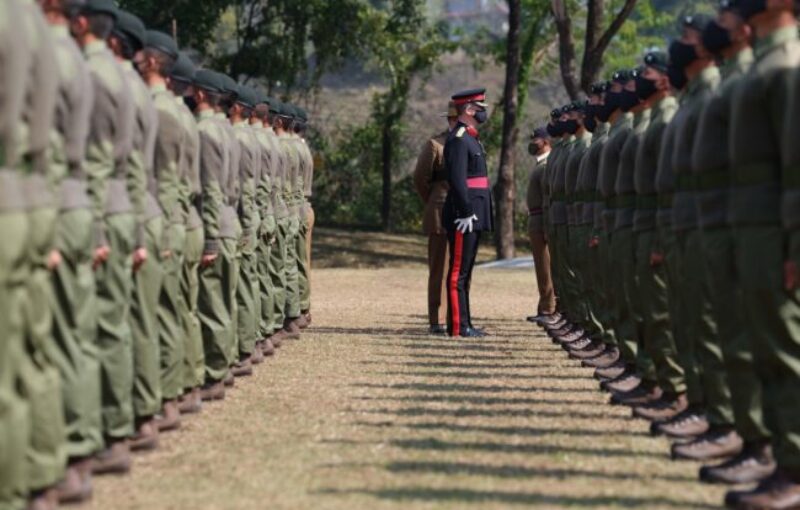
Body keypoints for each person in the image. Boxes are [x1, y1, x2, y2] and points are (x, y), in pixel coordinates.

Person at [691, 1, 773, 480]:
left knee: (766, 345)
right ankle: (743, 435)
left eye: (725, 16)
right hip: (730, 222)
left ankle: (775, 456)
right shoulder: (749, 76)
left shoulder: (776, 71)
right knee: (727, 333)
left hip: (758, 227)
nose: (715, 25)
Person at [726, 0, 800, 506]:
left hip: (774, 232)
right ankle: (777, 460)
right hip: (751, 226)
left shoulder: (789, 64)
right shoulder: (766, 64)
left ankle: (793, 471)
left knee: (784, 350)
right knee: (764, 346)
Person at [73, 0, 140, 476]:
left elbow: (89, 162)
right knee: (117, 320)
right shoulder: (130, 84)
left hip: (88, 210)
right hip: (123, 209)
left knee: (82, 330)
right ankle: (117, 425)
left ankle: (93, 435)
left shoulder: (92, 75)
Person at [107, 9, 165, 451]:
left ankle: (109, 427)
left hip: (109, 214)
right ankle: (143, 409)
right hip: (144, 214)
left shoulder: (105, 81)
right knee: (145, 317)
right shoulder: (146, 98)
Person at [442, 88, 493, 338]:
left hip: (474, 212)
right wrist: (465, 211)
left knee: (465, 273)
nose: (484, 111)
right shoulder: (459, 138)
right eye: (481, 107)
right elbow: (457, 179)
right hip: (465, 215)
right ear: (470, 109)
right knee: (458, 273)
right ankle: (458, 326)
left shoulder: (472, 137)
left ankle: (465, 323)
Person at [413, 101, 458, 335]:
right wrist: (433, 201)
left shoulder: (471, 143)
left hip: (462, 213)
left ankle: (456, 316)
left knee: (458, 268)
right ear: (451, 120)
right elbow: (420, 178)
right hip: (440, 212)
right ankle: (437, 318)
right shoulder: (435, 145)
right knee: (439, 268)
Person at [524, 127, 557, 324]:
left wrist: (546, 225)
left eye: (536, 139)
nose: (533, 142)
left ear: (546, 141)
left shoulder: (546, 165)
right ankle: (545, 305)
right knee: (541, 266)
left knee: (545, 266)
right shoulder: (541, 164)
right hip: (536, 219)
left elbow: (547, 197)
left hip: (542, 219)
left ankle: (548, 308)